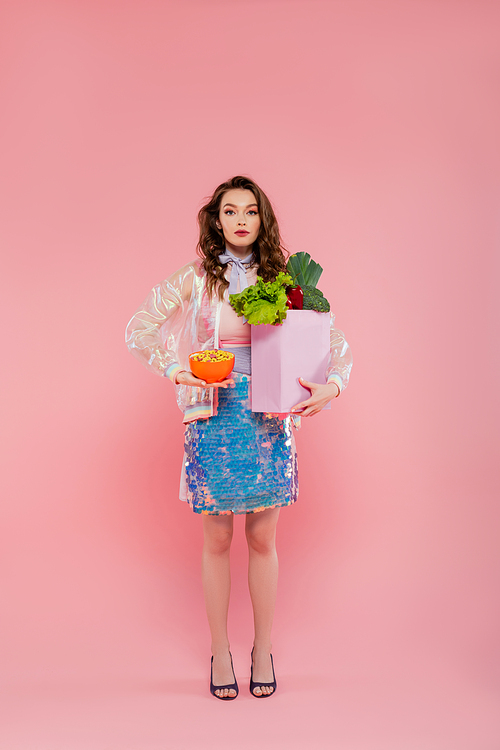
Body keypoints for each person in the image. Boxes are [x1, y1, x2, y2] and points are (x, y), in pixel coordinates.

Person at [125, 175, 352, 700]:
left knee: (262, 539)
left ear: (262, 218)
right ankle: (221, 649)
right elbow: (140, 327)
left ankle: (263, 648)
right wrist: (177, 371)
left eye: (251, 210)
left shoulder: (287, 281)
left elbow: (333, 340)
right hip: (212, 415)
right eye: (230, 211)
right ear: (217, 219)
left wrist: (332, 385)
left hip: (270, 419)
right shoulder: (197, 279)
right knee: (219, 539)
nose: (241, 220)